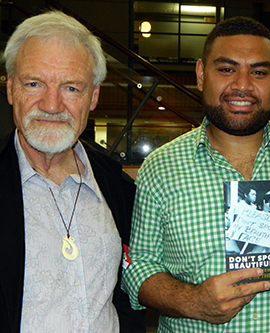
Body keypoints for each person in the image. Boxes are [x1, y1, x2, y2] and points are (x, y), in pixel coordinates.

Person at [122, 16, 270, 332]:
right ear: (201, 74)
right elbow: (139, 268)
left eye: (258, 72)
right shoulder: (162, 168)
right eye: (227, 69)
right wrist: (192, 300)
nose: (243, 85)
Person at [0, 10, 145, 333]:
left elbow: (128, 299)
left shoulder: (116, 185)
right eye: (34, 83)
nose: (51, 105)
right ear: (11, 89)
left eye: (71, 88)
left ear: (93, 97)